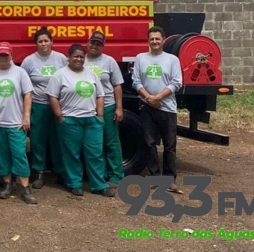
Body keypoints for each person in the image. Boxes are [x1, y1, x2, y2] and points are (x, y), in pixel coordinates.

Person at [46, 44, 115, 197]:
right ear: (68, 57)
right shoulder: (60, 75)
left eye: (81, 57)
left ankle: (99, 185)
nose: (78, 59)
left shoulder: (91, 74)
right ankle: (74, 184)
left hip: (91, 120)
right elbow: (52, 96)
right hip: (70, 120)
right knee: (71, 154)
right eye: (75, 56)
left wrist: (100, 116)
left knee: (95, 153)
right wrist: (60, 116)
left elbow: (100, 95)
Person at [0, 42, 37, 204]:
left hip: (15, 123)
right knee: (0, 155)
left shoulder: (20, 73)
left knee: (19, 154)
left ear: (11, 55)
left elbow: (27, 95)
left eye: (6, 55)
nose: (3, 58)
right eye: (0, 55)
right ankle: (7, 184)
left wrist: (26, 116)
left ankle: (25, 188)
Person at [132, 26, 183, 193]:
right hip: (147, 107)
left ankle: (169, 180)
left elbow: (176, 83)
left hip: (167, 108)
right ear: (148, 40)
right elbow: (136, 81)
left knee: (169, 145)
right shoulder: (140, 58)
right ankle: (154, 178)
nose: (154, 41)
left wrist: (158, 98)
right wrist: (149, 98)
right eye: (152, 38)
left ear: (163, 39)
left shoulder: (172, 59)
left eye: (157, 38)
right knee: (149, 143)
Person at [20, 27, 67, 189]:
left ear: (52, 42)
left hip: (58, 106)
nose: (43, 44)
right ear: (36, 44)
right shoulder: (29, 61)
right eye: (40, 41)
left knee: (58, 139)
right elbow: (24, 84)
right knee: (38, 140)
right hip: (38, 106)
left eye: (46, 40)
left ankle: (60, 171)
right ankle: (39, 172)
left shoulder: (61, 59)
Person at [85, 31, 125, 185]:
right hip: (88, 109)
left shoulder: (109, 61)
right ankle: (99, 175)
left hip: (108, 106)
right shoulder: (81, 60)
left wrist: (119, 107)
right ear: (87, 43)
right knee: (94, 144)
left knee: (111, 142)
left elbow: (117, 85)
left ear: (103, 46)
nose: (95, 46)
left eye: (98, 44)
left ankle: (116, 174)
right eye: (92, 42)